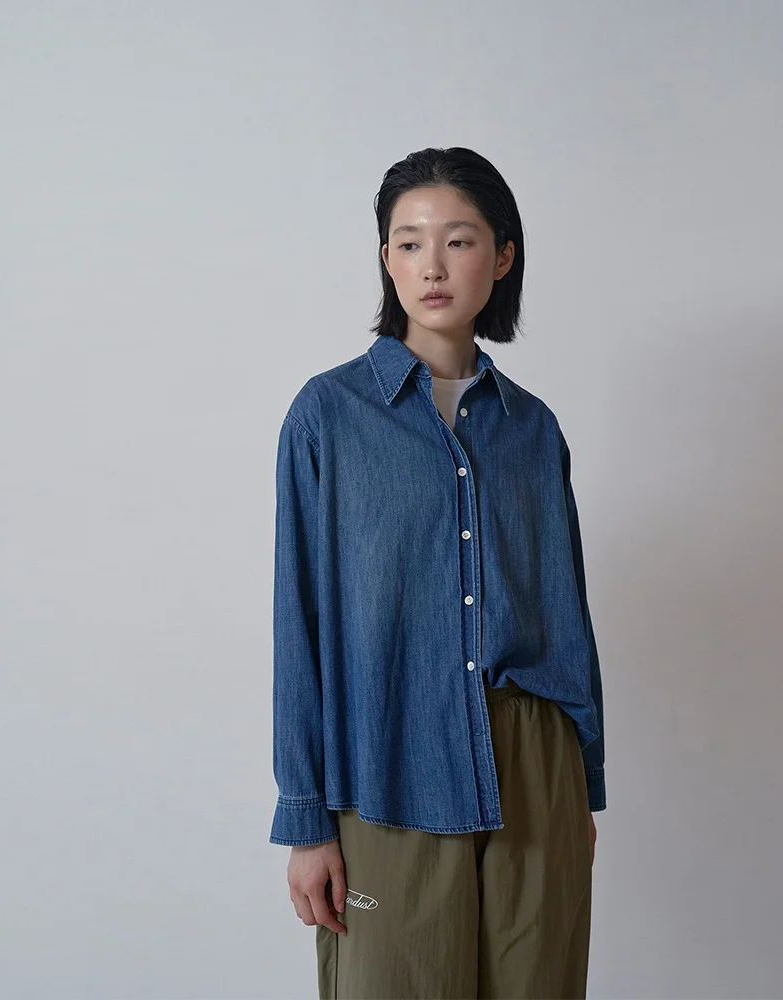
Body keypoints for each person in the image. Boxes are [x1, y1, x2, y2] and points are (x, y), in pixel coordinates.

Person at [270, 146, 606, 999]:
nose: (432, 265)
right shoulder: (329, 415)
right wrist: (307, 820)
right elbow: (299, 623)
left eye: (458, 241)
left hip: (535, 768)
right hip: (388, 760)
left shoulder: (532, 429)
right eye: (409, 242)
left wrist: (583, 789)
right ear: (386, 259)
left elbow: (566, 616)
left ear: (502, 256)